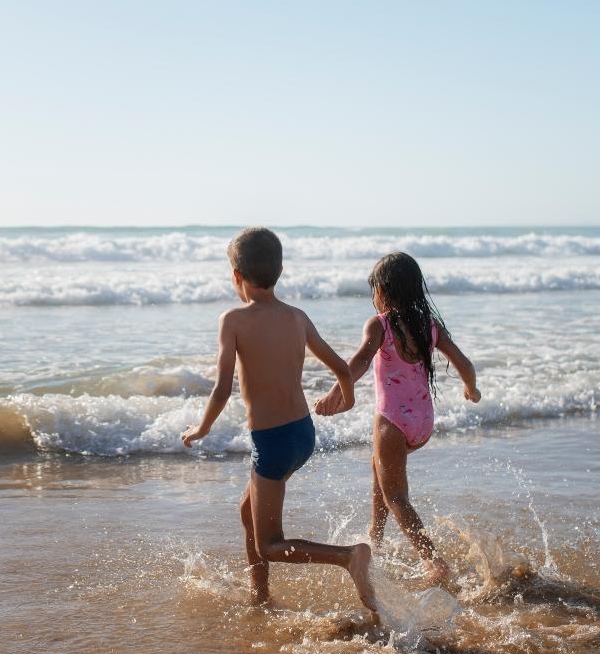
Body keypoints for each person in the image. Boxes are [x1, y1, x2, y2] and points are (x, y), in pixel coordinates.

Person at [182, 227, 377, 614]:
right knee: (247, 511)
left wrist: (201, 428)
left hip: (272, 443)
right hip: (303, 434)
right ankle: (260, 595)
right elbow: (340, 367)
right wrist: (348, 399)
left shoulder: (233, 320)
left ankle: (348, 557)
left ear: (236, 276)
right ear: (280, 270)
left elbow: (222, 389)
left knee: (271, 544)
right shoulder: (297, 317)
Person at [316, 252, 479, 586]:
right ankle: (374, 537)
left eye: (374, 289)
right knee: (380, 471)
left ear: (385, 291)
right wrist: (471, 389)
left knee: (396, 496)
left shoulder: (381, 324)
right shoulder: (429, 327)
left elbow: (360, 361)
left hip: (391, 422)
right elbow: (465, 363)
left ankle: (434, 561)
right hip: (422, 423)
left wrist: (336, 394)